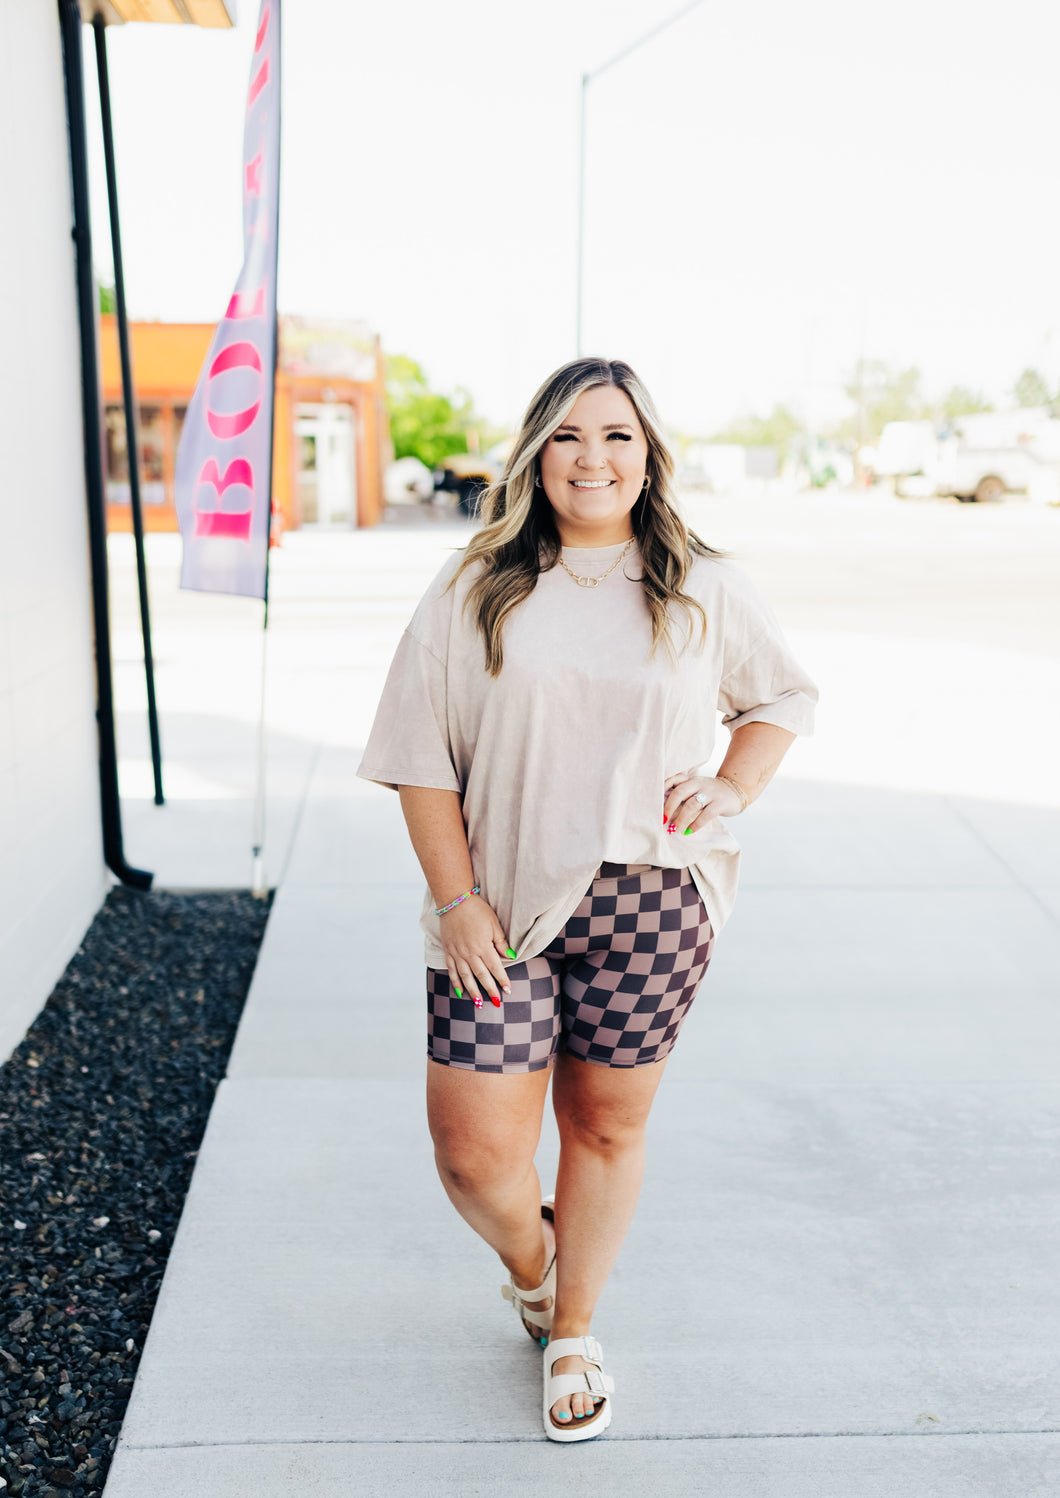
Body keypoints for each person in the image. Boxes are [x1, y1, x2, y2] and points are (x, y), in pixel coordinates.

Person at [357, 357, 818, 1443]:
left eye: (616, 435)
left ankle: (572, 1328)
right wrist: (457, 900)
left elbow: (781, 696)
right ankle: (536, 1268)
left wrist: (732, 785)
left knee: (604, 1129)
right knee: (476, 1156)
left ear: (648, 455)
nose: (591, 457)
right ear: (536, 454)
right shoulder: (477, 583)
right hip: (499, 908)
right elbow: (420, 758)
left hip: (653, 902)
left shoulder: (703, 583)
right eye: (567, 435)